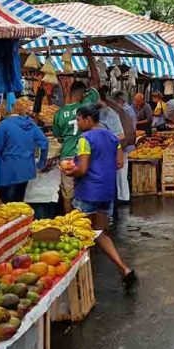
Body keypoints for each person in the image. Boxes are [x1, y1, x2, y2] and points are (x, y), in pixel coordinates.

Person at [61, 106, 136, 287]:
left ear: (87, 119)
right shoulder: (112, 137)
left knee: (77, 235)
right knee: (100, 233)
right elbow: (119, 163)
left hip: (87, 192)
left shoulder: (84, 139)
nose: (77, 124)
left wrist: (69, 171)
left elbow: (83, 168)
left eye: (79, 120)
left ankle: (76, 281)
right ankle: (124, 269)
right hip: (106, 192)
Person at [53, 81, 99, 214]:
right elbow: (96, 86)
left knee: (67, 195)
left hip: (66, 155)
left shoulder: (59, 113)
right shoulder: (86, 107)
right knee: (85, 191)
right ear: (83, 94)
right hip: (84, 155)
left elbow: (58, 136)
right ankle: (84, 222)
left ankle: (70, 223)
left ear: (69, 93)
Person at [0, 99, 49, 203]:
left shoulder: (4, 125)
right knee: (18, 204)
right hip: (26, 170)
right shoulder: (31, 124)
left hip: (9, 170)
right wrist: (41, 162)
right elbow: (44, 142)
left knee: (7, 206)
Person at [108, 90, 138, 202]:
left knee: (121, 170)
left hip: (123, 143)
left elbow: (123, 129)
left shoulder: (123, 110)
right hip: (127, 142)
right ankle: (122, 195)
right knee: (122, 170)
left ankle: (123, 196)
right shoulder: (128, 109)